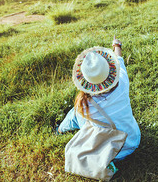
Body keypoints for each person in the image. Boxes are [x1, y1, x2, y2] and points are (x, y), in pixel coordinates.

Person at [57, 37, 141, 165]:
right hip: (133, 141)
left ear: (86, 81)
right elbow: (119, 59)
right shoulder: (123, 82)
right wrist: (117, 45)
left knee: (75, 113)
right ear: (111, 70)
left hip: (110, 151)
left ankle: (60, 130)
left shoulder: (85, 104)